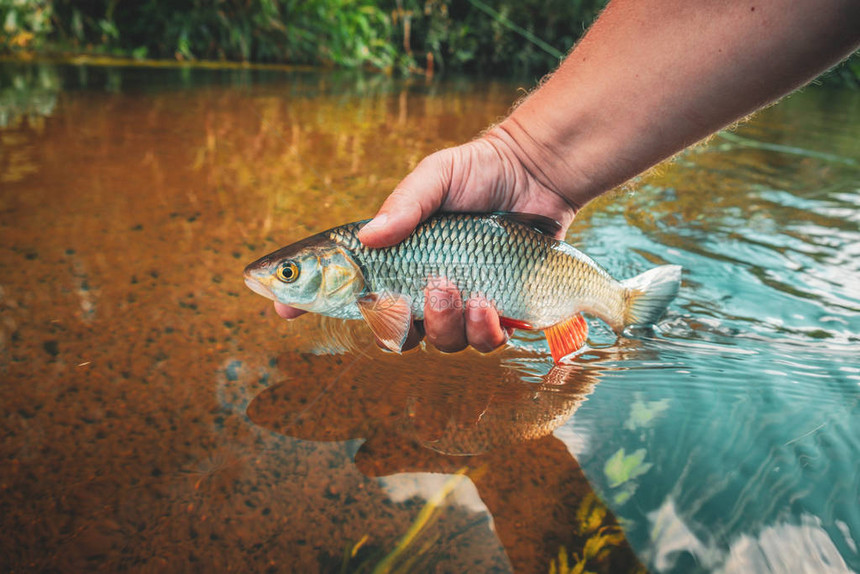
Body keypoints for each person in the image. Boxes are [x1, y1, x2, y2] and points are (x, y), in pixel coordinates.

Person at [275, 0, 860, 353]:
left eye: (291, 271)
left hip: (536, 257)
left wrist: (528, 160)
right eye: (290, 272)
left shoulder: (368, 263)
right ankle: (605, 315)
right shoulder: (369, 287)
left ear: (334, 266)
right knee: (488, 317)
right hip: (525, 249)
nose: (283, 280)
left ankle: (624, 307)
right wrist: (527, 161)